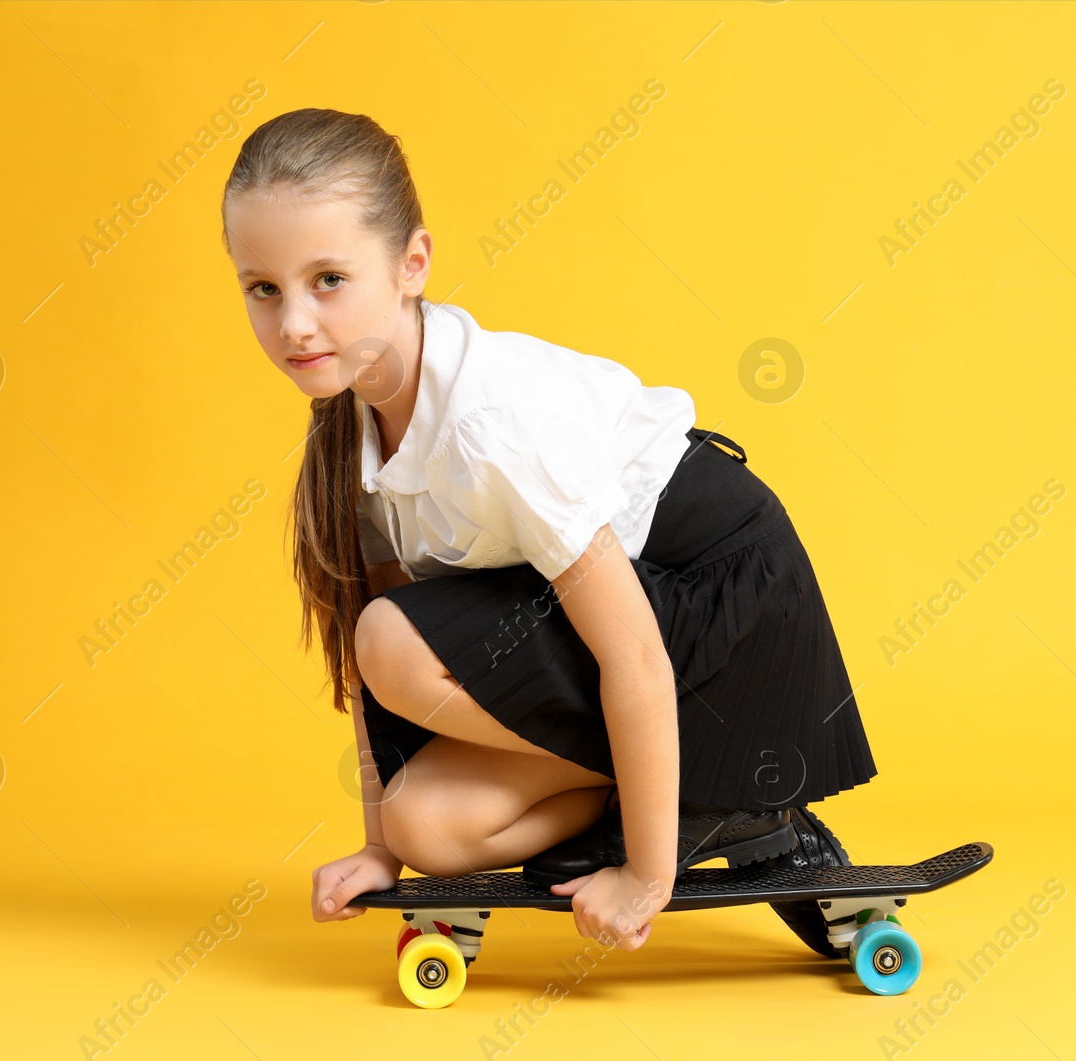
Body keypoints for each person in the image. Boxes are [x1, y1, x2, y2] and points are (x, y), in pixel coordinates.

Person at [220, 108, 875, 955]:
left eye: (329, 280)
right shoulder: (354, 422)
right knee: (428, 823)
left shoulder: (494, 426)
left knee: (394, 640)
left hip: (723, 610)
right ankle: (700, 798)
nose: (294, 325)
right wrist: (383, 848)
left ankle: (714, 796)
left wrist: (647, 875)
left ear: (412, 264)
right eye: (262, 287)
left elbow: (633, 652)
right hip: (630, 634)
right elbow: (371, 660)